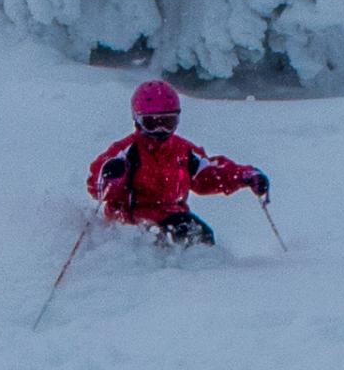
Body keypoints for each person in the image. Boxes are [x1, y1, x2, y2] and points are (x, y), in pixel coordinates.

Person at [87, 80, 270, 247]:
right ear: (137, 120)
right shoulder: (127, 151)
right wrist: (111, 176)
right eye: (151, 123)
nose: (160, 130)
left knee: (200, 235)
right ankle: (151, 267)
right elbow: (96, 185)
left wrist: (244, 176)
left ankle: (205, 269)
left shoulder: (183, 151)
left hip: (173, 217)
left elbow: (209, 174)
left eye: (168, 122)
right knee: (171, 236)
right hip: (130, 222)